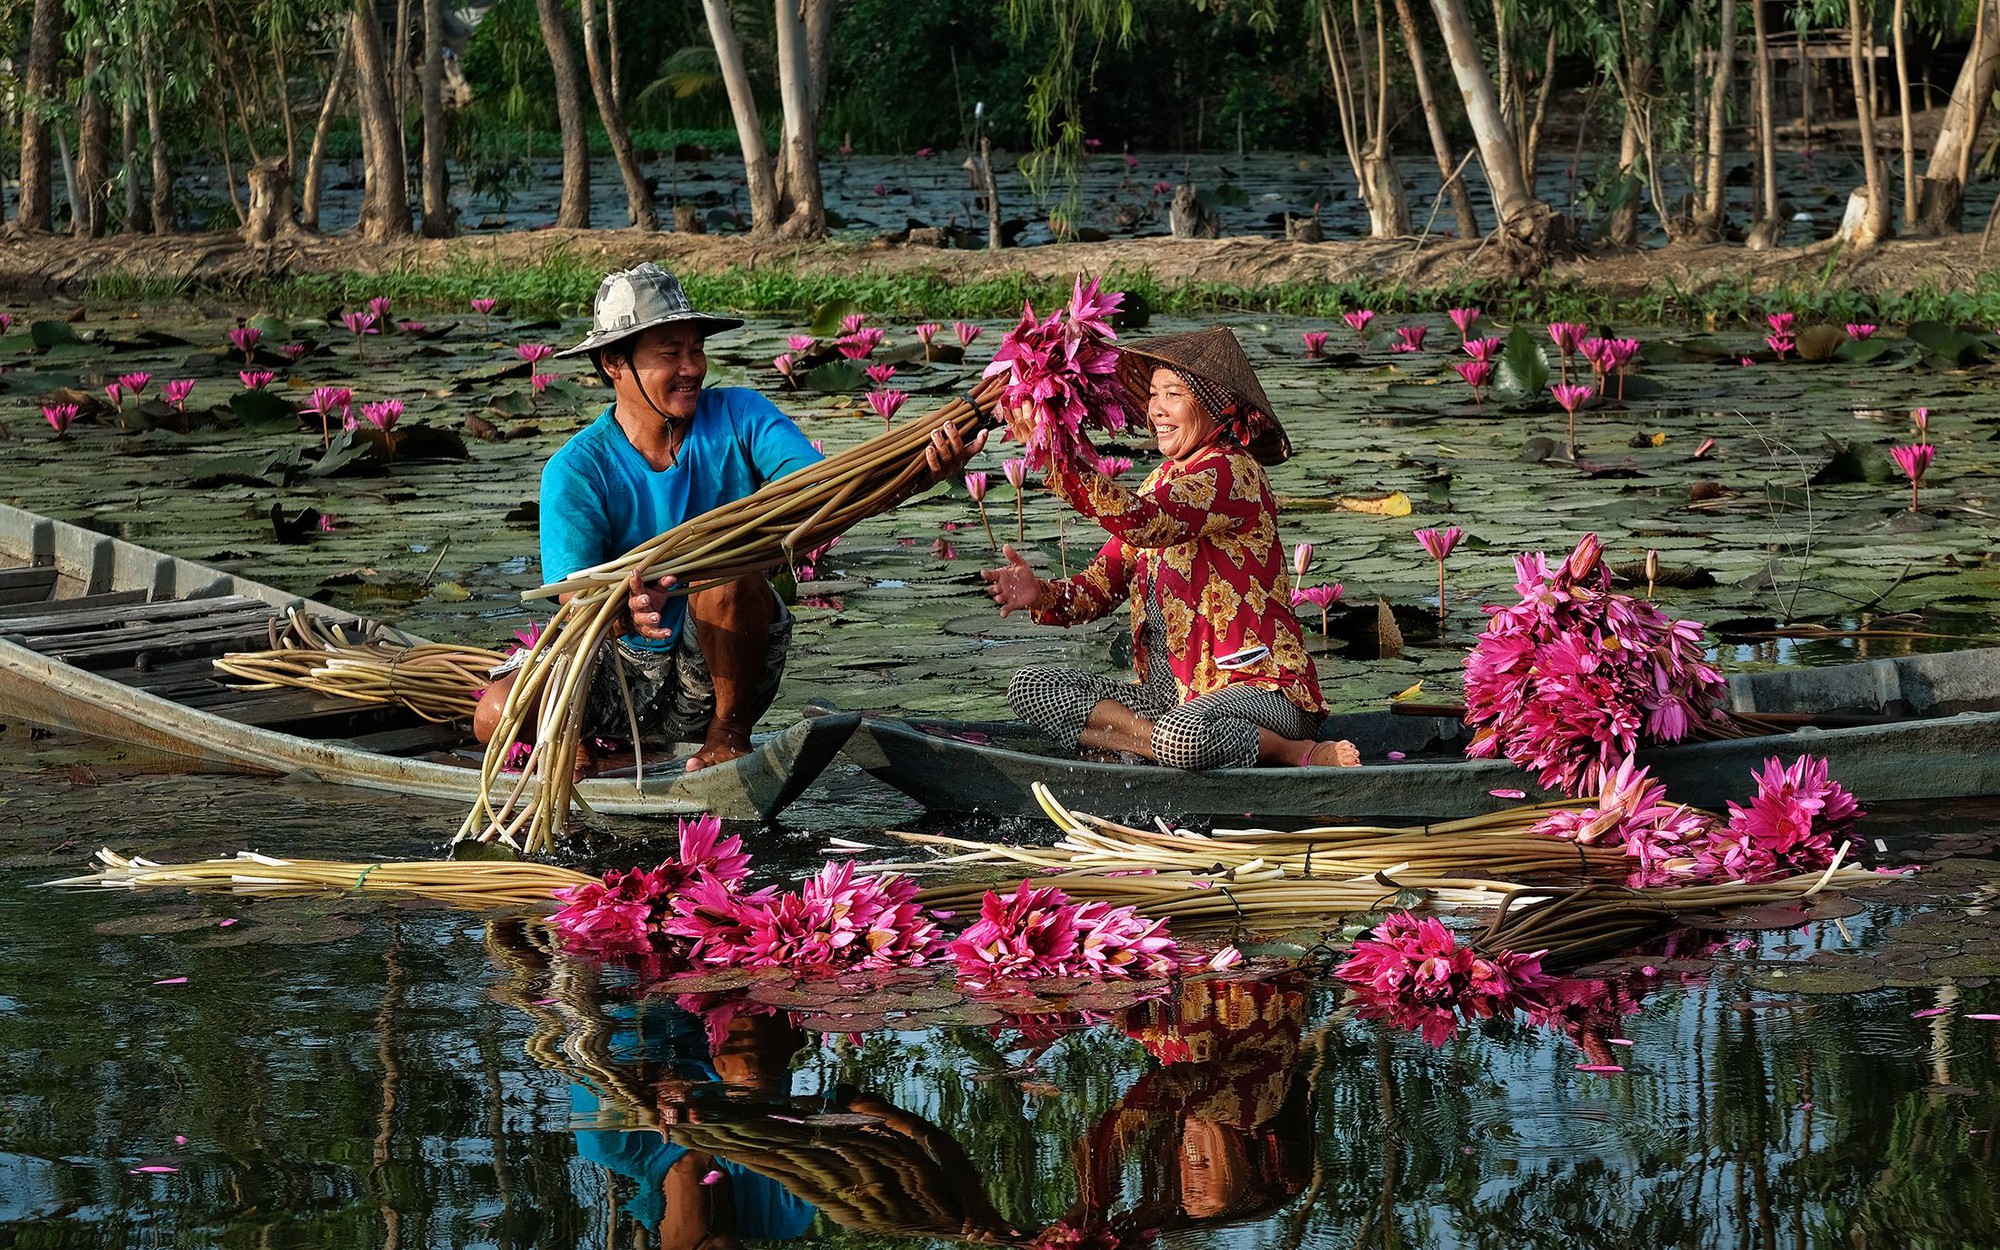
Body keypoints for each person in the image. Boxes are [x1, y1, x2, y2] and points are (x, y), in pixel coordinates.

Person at [474, 262, 977, 773]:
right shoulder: (576, 469)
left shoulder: (741, 414)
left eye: (696, 349)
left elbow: (825, 494)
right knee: (495, 714)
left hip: (723, 664)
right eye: (670, 353)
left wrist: (916, 475)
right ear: (613, 362)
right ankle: (580, 741)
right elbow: (573, 596)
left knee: (723, 569)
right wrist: (624, 610)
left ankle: (728, 735)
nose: (692, 367)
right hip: (624, 665)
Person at [980, 326, 1359, 770]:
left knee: (1183, 733)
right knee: (1031, 687)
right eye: (1155, 394)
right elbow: (1102, 585)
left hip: (1261, 691)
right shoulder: (1157, 482)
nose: (1156, 410)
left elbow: (1148, 523)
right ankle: (1157, 749)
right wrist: (1040, 593)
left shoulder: (1232, 472)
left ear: (1216, 406)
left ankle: (1291, 751)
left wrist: (1057, 459)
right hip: (1169, 699)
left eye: (1173, 394)